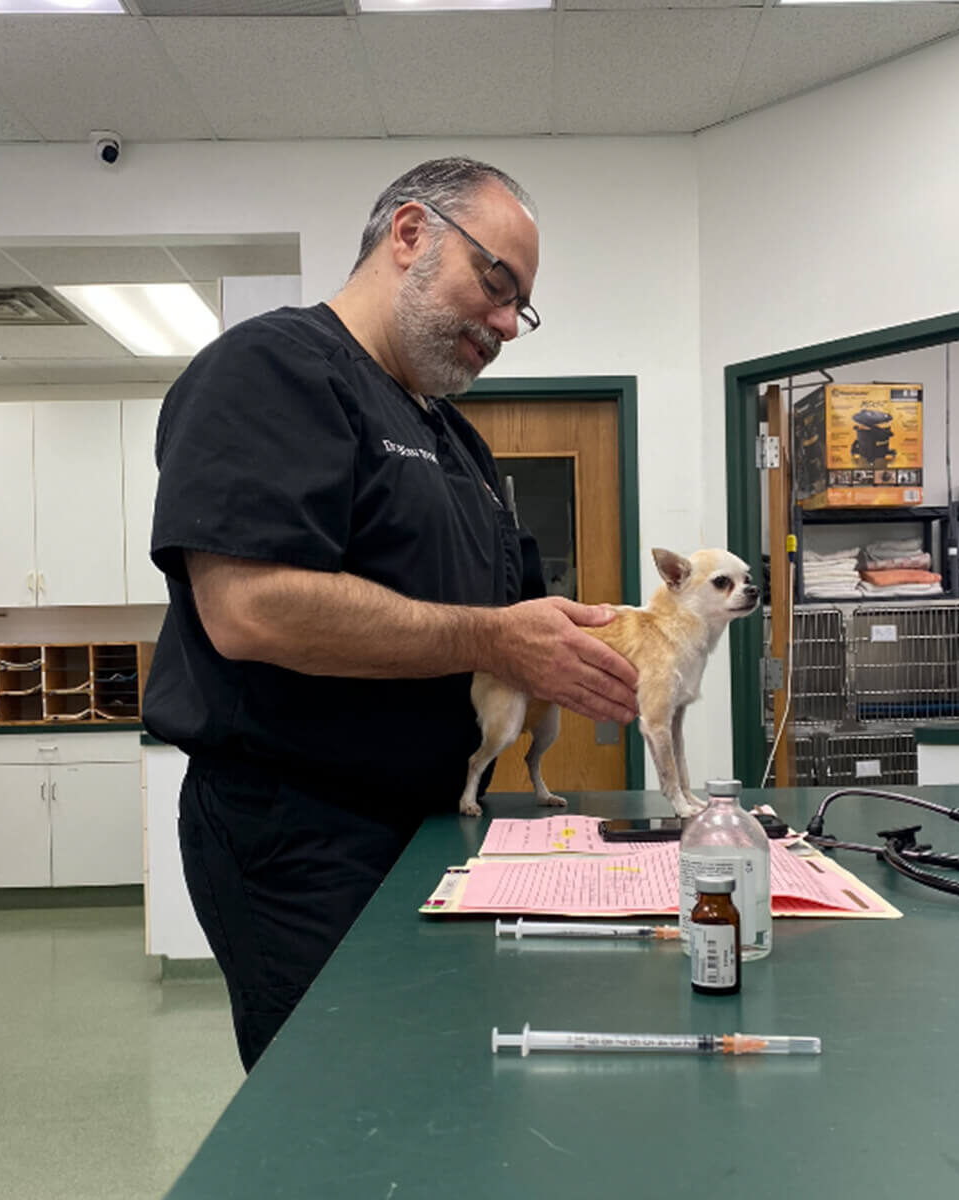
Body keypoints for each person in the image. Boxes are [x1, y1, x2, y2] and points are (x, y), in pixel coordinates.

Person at [141, 157, 639, 1071]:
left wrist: (576, 646)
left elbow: (509, 618)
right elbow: (250, 610)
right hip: (299, 833)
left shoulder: (459, 443)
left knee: (444, 1079)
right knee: (349, 1100)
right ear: (409, 235)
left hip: (434, 821)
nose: (504, 326)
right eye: (496, 284)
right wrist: (496, 637)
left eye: (519, 308)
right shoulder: (269, 372)